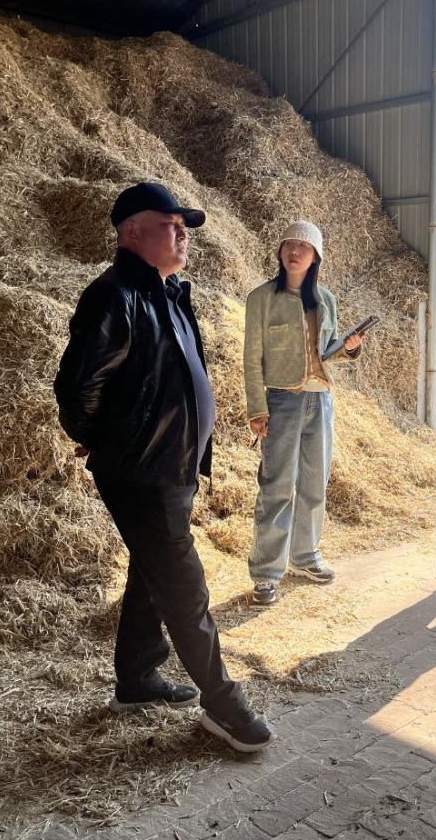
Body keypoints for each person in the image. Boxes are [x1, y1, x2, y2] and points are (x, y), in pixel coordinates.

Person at [54, 182, 273, 753]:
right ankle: (223, 704)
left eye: (184, 227)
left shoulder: (166, 292)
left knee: (152, 568)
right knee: (183, 585)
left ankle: (137, 678)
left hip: (170, 462)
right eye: (170, 225)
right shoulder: (114, 296)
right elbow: (77, 391)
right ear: (131, 232)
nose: (182, 236)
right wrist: (105, 439)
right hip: (142, 469)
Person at [243, 221, 366, 607]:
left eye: (304, 246)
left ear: (315, 257)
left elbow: (328, 352)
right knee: (277, 486)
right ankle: (266, 573)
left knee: (315, 483)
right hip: (282, 400)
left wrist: (349, 348)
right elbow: (251, 358)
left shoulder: (325, 299)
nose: (294, 251)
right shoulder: (261, 298)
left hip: (321, 400)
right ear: (281, 251)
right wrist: (257, 408)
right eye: (289, 244)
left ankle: (304, 557)